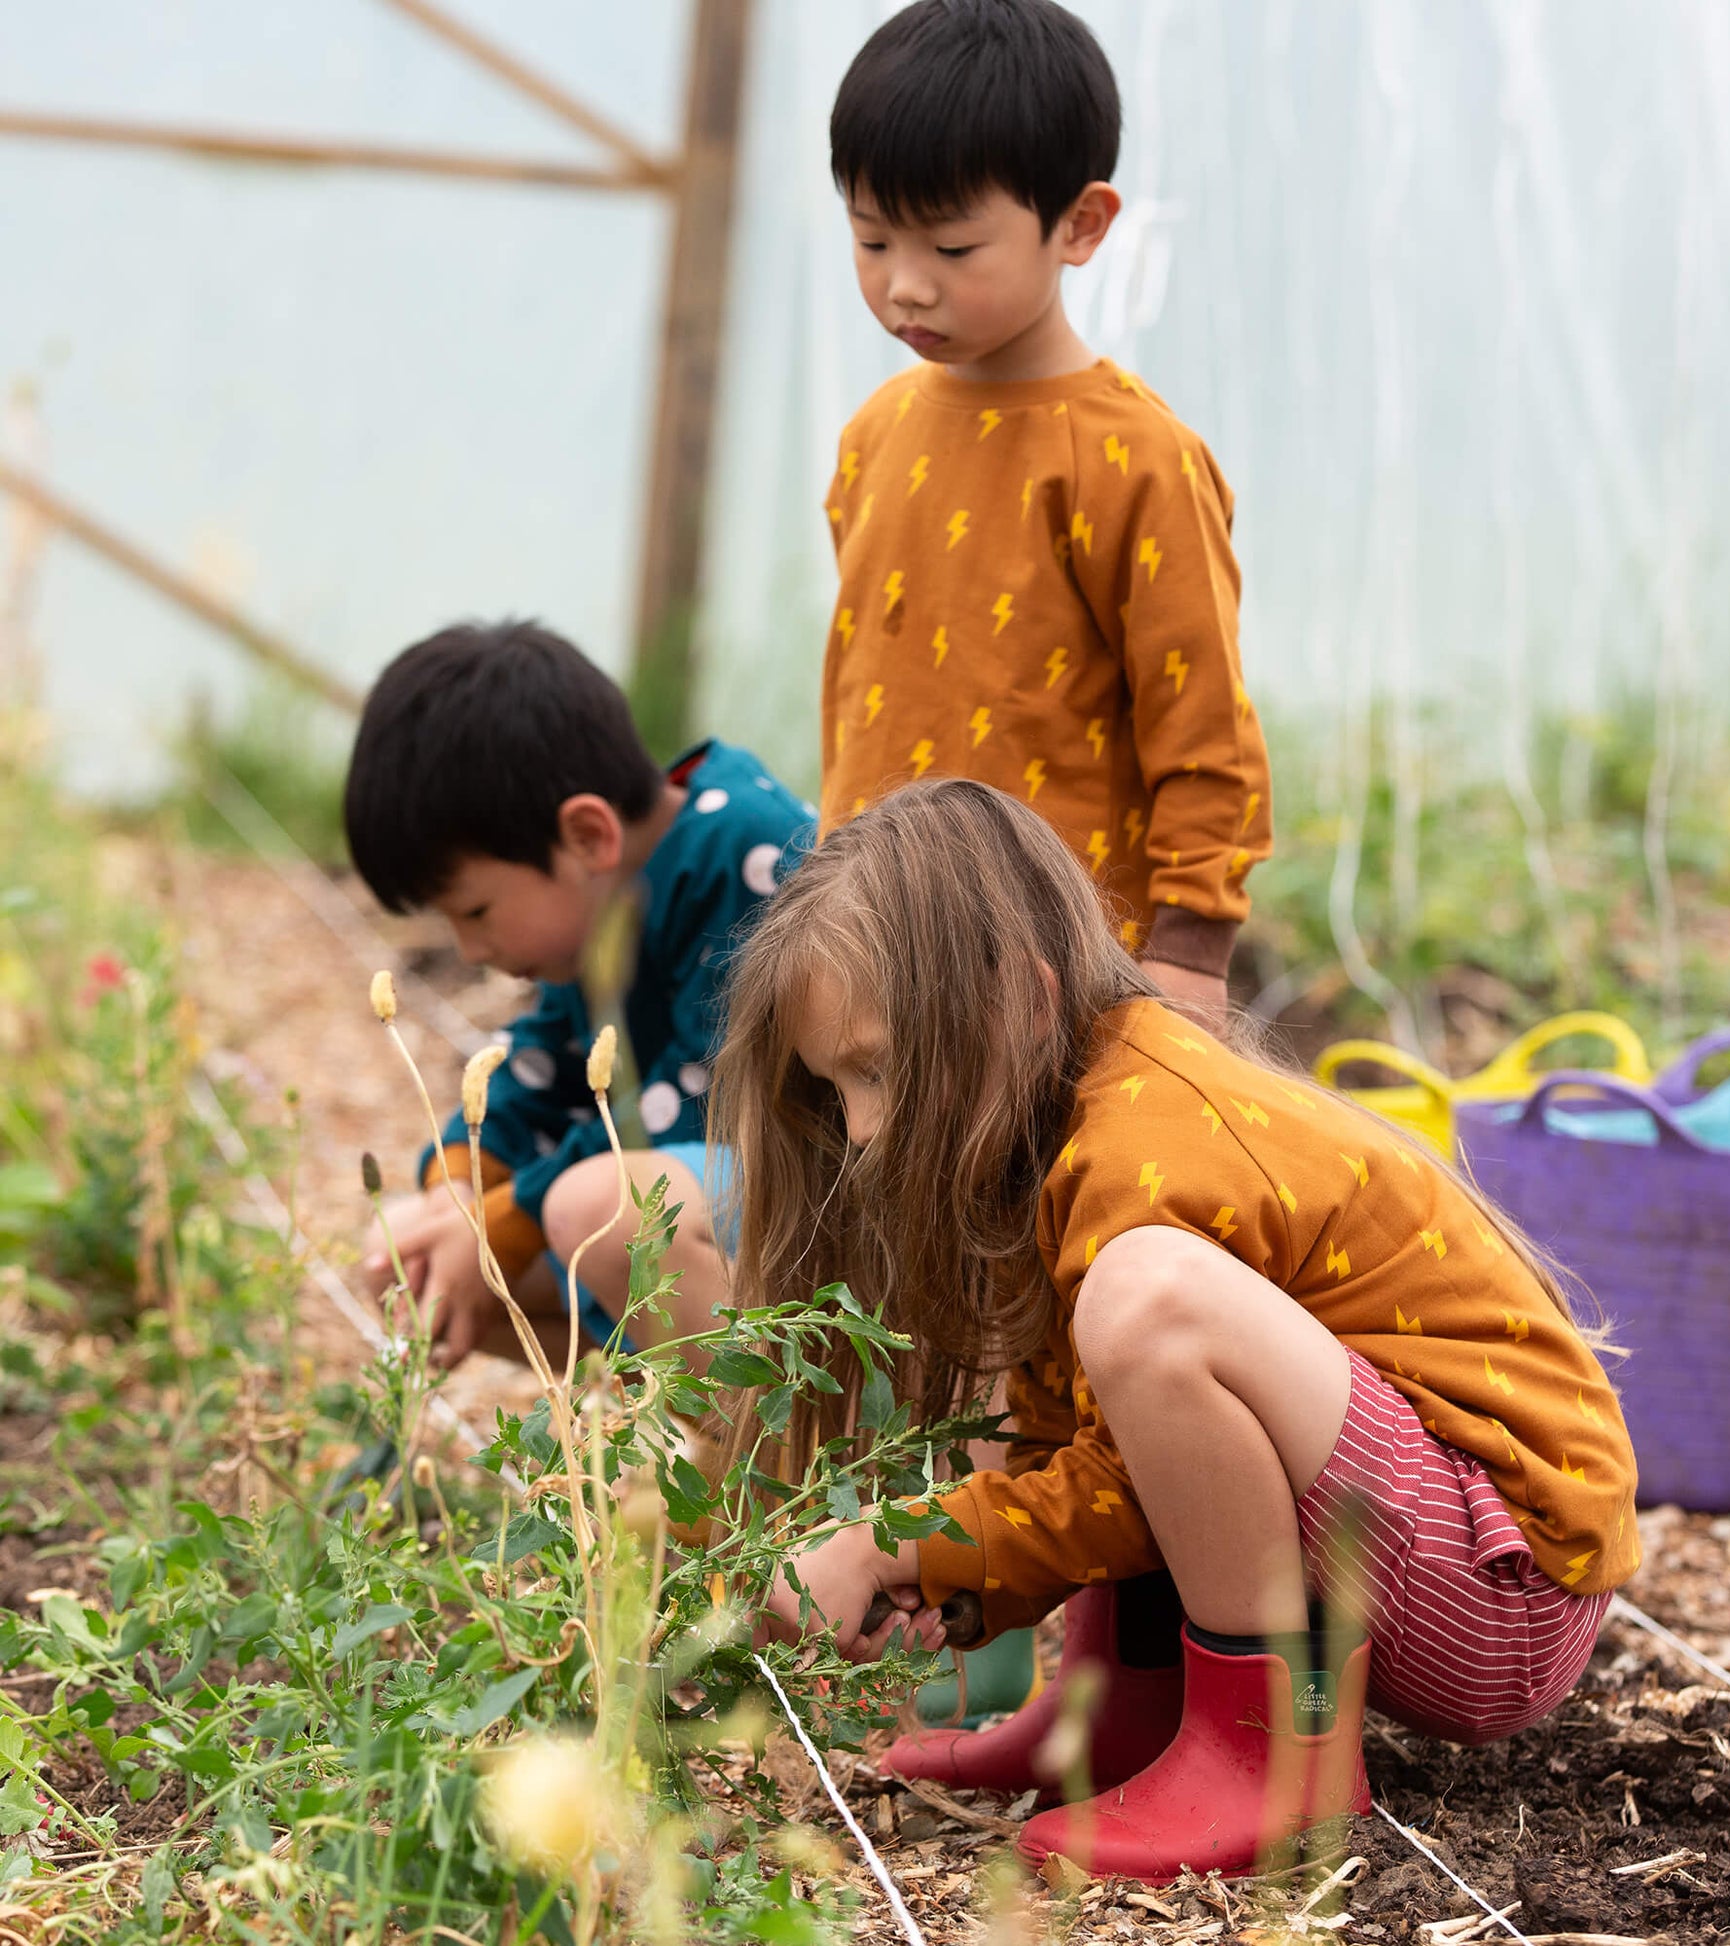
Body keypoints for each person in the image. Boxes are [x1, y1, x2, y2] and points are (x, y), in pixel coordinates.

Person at [712, 780, 1640, 1884]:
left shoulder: (1145, 1145)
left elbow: (1118, 1483)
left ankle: (1268, 1758)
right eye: (836, 1088)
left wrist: (892, 1544)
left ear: (1020, 1003)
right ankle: (1130, 1704)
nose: (860, 1127)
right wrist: (954, 1565)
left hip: (1499, 1592)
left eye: (874, 1068)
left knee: (1146, 1301)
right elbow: (1098, 1453)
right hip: (1420, 1552)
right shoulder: (1071, 1106)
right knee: (1121, 1331)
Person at [820, 0, 1273, 1026]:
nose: (904, 287)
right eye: (872, 237)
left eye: (952, 248)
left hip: (1065, 966)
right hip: (881, 937)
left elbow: (1202, 722)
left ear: (1079, 225)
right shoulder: (874, 434)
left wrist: (1191, 950)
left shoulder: (1135, 460)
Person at [343, 619, 813, 1371]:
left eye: (476, 912)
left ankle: (786, 1437)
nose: (471, 950)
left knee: (597, 1212)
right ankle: (682, 1410)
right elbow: (544, 1062)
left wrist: (508, 1220)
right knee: (406, 1252)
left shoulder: (750, 858)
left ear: (589, 835)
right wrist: (458, 1188)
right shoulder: (605, 896)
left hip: (827, 1203)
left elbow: (698, 1104)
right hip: (716, 1202)